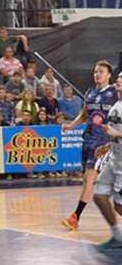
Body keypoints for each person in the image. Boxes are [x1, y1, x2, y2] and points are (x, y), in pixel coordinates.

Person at [61, 61, 117, 231]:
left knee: (90, 177)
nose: (97, 74)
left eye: (101, 71)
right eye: (95, 71)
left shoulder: (115, 93)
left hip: (102, 141)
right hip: (88, 138)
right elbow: (84, 114)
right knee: (88, 179)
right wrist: (71, 125)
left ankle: (75, 216)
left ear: (109, 75)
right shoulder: (90, 93)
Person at [92, 73, 122, 251]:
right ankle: (118, 236)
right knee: (99, 196)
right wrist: (107, 146)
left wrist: (116, 133)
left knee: (119, 206)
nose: (119, 80)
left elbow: (116, 132)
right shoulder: (115, 106)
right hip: (114, 159)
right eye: (119, 78)